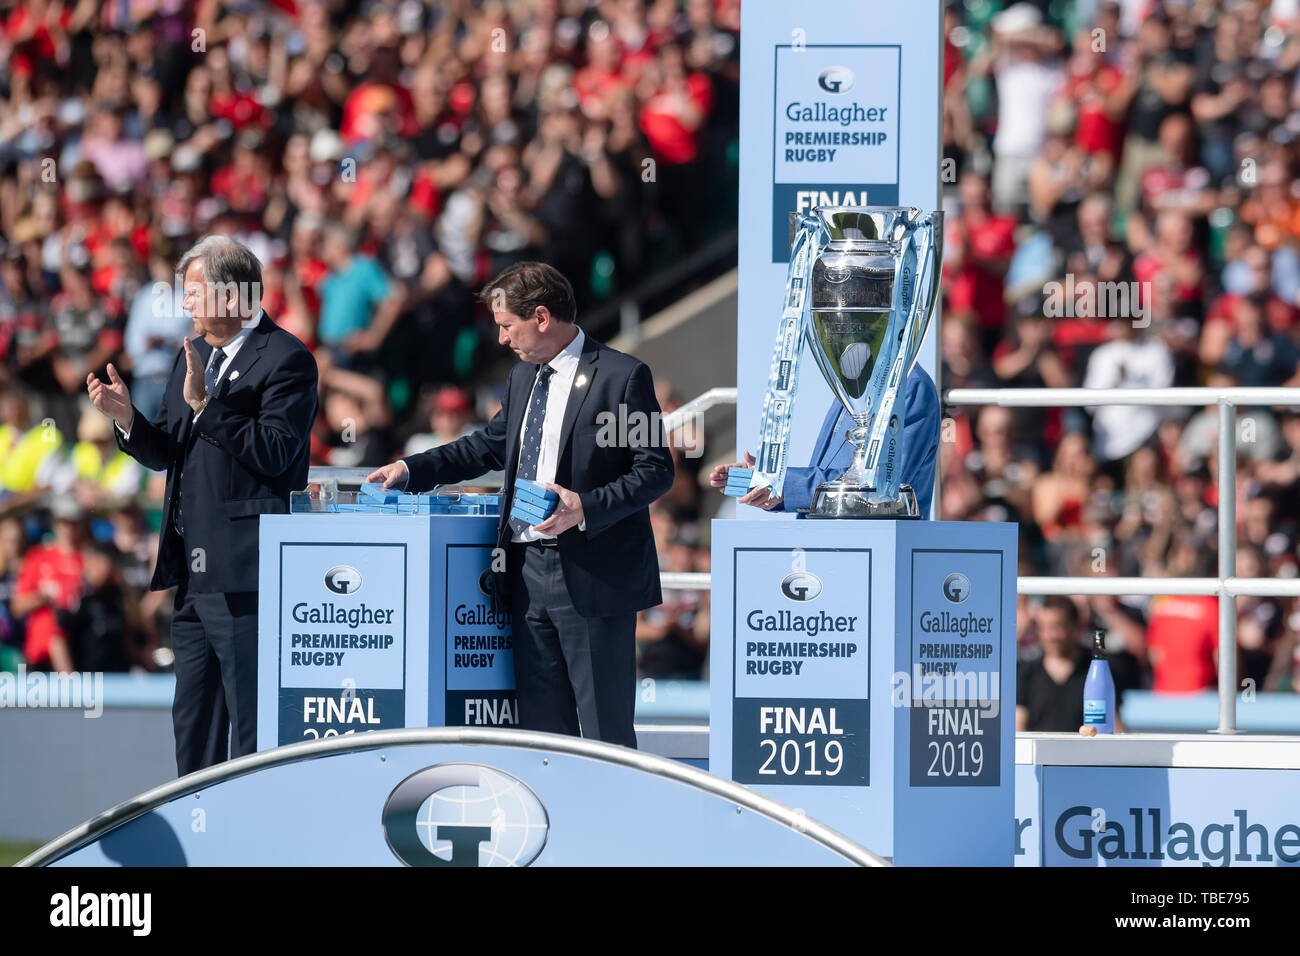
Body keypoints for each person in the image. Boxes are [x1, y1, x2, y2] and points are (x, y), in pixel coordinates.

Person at [366, 262, 673, 748]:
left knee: (604, 733)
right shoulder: (520, 379)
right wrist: (410, 469)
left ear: (543, 317)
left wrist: (585, 506)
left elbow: (656, 470)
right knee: (541, 735)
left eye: (508, 326)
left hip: (592, 576)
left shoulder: (622, 375)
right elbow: (485, 446)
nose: (503, 339)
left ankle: (609, 822)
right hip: (526, 573)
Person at [85, 235, 318, 776]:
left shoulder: (287, 358)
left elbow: (279, 453)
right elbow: (167, 449)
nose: (183, 304)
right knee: (193, 726)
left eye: (192, 292)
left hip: (245, 576)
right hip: (190, 576)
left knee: (251, 730)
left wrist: (207, 408)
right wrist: (127, 420)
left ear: (233, 295)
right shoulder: (190, 354)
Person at [708, 365, 941, 516]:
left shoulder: (910, 386)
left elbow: (879, 488)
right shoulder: (856, 381)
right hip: (828, 556)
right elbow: (829, 473)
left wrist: (780, 484)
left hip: (873, 560)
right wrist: (757, 480)